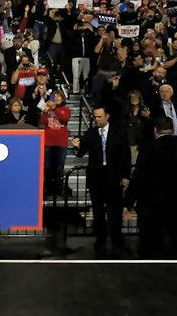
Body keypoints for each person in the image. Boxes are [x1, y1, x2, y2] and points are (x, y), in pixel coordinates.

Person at [124, 117, 177, 258]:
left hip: (152, 205)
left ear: (155, 130)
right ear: (173, 130)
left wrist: (128, 202)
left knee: (151, 248)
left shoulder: (148, 149)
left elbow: (138, 178)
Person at [72, 107, 131, 257]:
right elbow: (80, 153)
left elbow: (125, 155)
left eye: (99, 117)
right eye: (95, 117)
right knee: (98, 212)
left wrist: (125, 176)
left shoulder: (118, 132)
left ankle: (117, 241)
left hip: (114, 177)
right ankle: (100, 241)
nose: (96, 119)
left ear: (107, 116)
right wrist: (76, 146)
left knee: (114, 212)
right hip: (96, 178)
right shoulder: (90, 133)